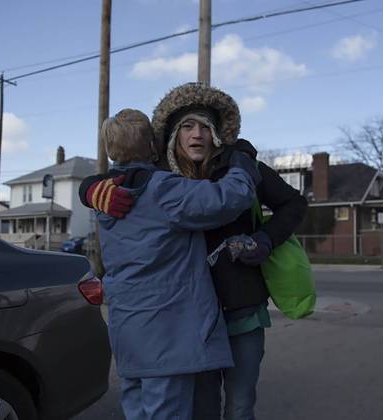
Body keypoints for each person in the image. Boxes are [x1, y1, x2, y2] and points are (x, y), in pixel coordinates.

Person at [82, 84, 306, 420]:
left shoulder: (240, 165)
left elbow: (294, 204)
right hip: (188, 325)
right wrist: (89, 189)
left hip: (240, 310)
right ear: (170, 136)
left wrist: (264, 240)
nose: (197, 134)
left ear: (218, 133)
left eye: (206, 126)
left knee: (239, 407)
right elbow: (123, 167)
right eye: (187, 126)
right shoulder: (161, 176)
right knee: (199, 410)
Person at [92, 108, 261, 420]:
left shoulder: (104, 195)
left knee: (137, 411)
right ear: (154, 146)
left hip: (127, 333)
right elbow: (229, 198)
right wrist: (240, 163)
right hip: (166, 335)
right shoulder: (164, 190)